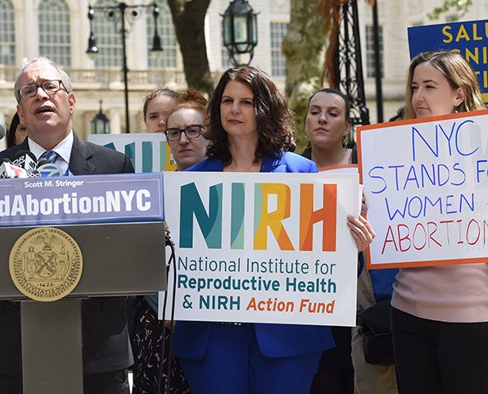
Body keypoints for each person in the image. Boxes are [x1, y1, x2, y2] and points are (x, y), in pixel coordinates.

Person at [172, 67, 375, 394]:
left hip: (286, 338)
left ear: (264, 108)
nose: (234, 109)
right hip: (210, 340)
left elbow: (327, 264)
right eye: (227, 100)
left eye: (246, 102)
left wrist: (355, 245)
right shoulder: (193, 179)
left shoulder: (301, 171)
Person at [0, 57, 135, 394]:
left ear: (71, 101)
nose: (41, 95)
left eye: (50, 86)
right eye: (29, 91)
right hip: (11, 352)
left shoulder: (113, 166)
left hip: (96, 351)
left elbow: (128, 256)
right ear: (20, 112)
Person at [391, 50, 488, 393]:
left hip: (471, 316)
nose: (418, 97)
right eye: (415, 86)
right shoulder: (393, 148)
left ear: (458, 93)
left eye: (430, 86)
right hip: (407, 312)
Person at [302, 88, 397, 394]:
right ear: (305, 120)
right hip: (311, 296)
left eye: (333, 113)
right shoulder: (290, 171)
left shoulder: (371, 164)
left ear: (346, 126)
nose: (322, 119)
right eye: (315, 111)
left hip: (363, 296)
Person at [131, 88, 207, 394]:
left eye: (192, 130)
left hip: (210, 328)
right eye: (173, 133)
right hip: (157, 329)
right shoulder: (150, 191)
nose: (182, 139)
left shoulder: (230, 183)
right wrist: (167, 307)